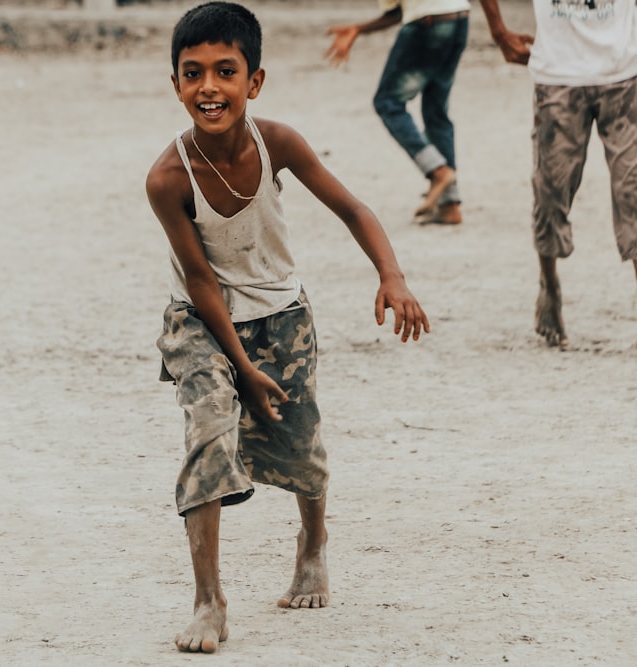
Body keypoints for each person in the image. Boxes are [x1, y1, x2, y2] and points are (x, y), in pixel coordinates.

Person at [145, 1, 430, 653]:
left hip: (281, 311)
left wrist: (392, 275)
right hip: (200, 318)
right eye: (193, 74)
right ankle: (208, 599)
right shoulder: (168, 177)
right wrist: (241, 371)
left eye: (225, 71)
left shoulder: (280, 141)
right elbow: (198, 279)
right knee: (209, 433)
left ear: (255, 81)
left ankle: (312, 539)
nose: (208, 88)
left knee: (298, 442)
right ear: (176, 85)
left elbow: (353, 208)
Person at [479, 0, 637, 348]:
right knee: (550, 191)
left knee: (633, 191)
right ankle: (549, 286)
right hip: (558, 77)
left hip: (625, 73)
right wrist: (498, 32)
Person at [325, 0, 471, 225]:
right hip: (459, 17)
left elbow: (395, 12)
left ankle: (437, 170)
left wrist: (357, 29)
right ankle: (449, 205)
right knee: (436, 111)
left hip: (427, 23)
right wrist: (359, 29)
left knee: (387, 102)